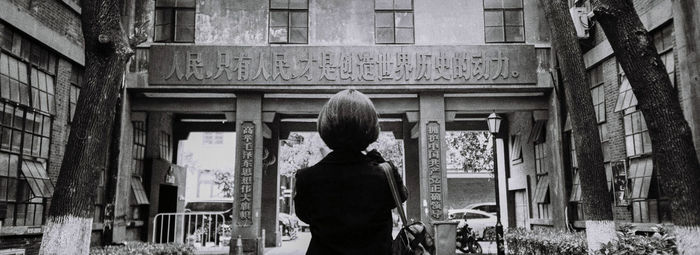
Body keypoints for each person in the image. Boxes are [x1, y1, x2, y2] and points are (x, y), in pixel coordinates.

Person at [294, 89, 408, 255]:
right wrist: (380, 160)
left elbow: (305, 216)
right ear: (370, 127)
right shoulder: (385, 175)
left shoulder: (307, 177)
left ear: (326, 125)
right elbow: (401, 196)